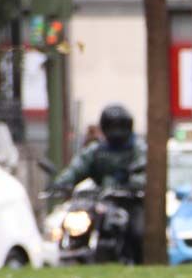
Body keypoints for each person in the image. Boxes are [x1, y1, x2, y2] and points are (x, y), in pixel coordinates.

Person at [52, 104, 148, 261]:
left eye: (120, 126)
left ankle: (137, 262)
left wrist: (133, 183)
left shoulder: (138, 148)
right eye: (112, 126)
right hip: (100, 200)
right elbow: (77, 168)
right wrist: (62, 183)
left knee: (138, 232)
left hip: (129, 201)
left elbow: (143, 170)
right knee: (74, 224)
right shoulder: (96, 150)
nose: (116, 131)